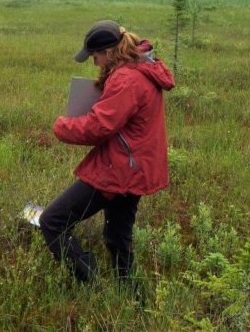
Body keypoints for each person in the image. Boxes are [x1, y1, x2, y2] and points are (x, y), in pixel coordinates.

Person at [39, 20, 174, 283]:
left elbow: (99, 127)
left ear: (110, 52)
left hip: (119, 170)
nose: (94, 63)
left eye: (96, 56)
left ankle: (87, 279)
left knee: (52, 221)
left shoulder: (126, 79)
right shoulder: (139, 69)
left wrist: (61, 126)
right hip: (134, 168)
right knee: (118, 237)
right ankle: (130, 293)